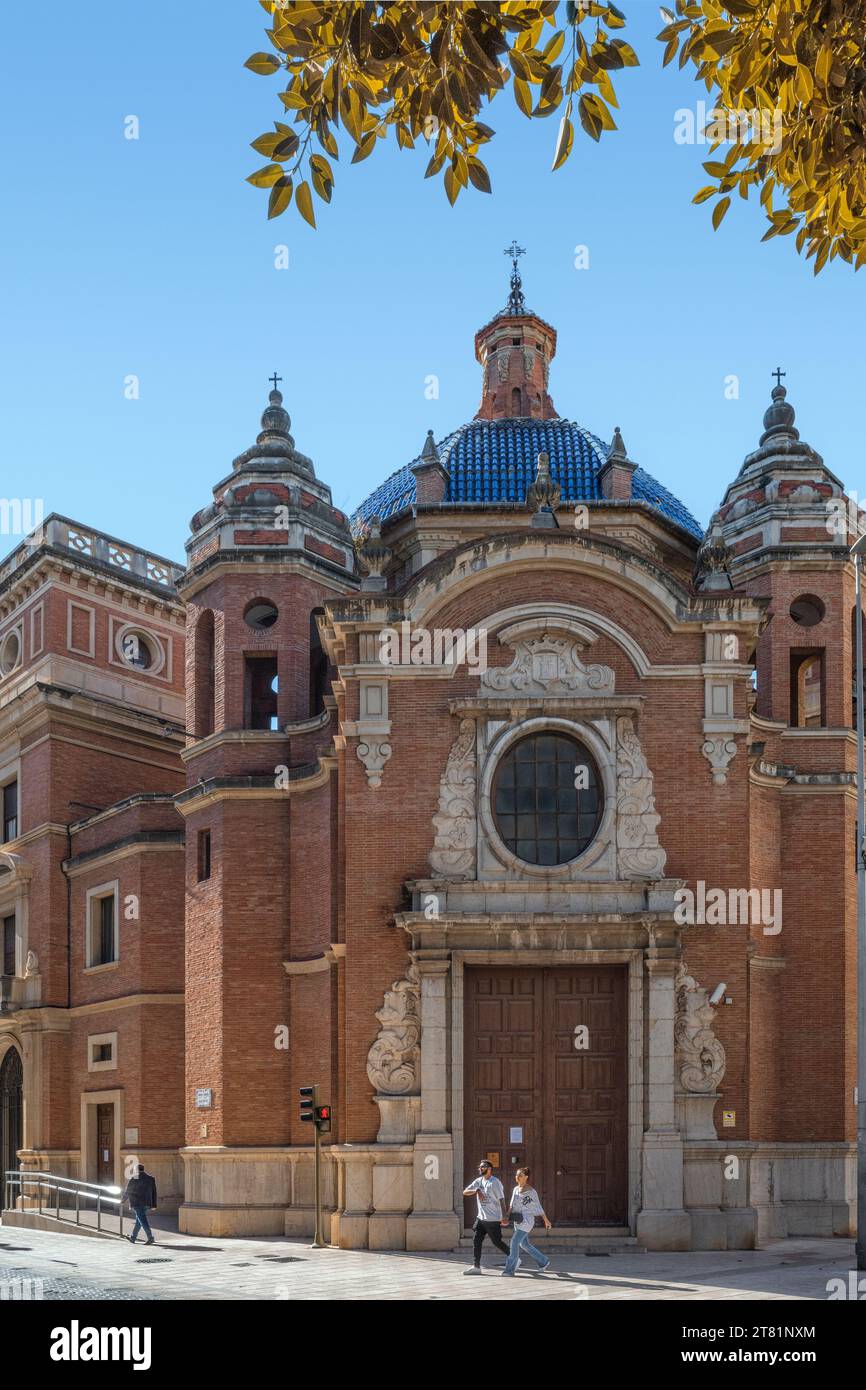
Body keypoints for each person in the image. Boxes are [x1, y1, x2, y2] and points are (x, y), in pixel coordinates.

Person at [462, 1158, 510, 1274]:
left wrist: (504, 1217)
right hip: (481, 1218)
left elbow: (502, 1200)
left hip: (493, 1219)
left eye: (482, 1167)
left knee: (497, 1242)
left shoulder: (495, 1182)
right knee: (476, 1240)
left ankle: (514, 1258)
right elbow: (465, 1192)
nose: (480, 1168)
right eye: (479, 1167)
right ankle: (476, 1266)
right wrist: (477, 1190)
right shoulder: (479, 1181)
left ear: (489, 1169)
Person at [502, 1166, 551, 1276]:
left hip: (527, 1221)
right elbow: (511, 1206)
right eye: (516, 1175)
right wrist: (506, 1217)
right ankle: (543, 1261)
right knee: (524, 1245)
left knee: (514, 1242)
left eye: (520, 1175)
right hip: (517, 1220)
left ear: (526, 1177)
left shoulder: (532, 1192)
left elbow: (539, 1207)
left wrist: (546, 1220)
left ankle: (509, 1270)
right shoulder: (515, 1189)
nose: (517, 1177)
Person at [123, 1164, 158, 1245]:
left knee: (143, 1221)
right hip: (147, 1203)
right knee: (139, 1220)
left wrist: (122, 1200)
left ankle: (150, 1238)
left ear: (136, 1170)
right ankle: (133, 1237)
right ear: (143, 1169)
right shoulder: (151, 1178)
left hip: (137, 1203)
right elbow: (154, 1192)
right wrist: (154, 1205)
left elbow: (128, 1191)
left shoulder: (134, 1178)